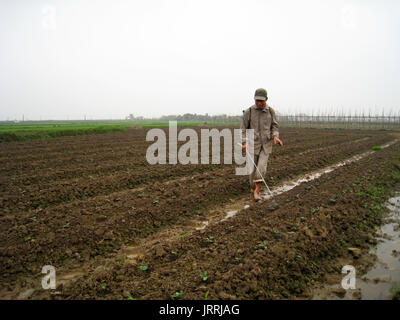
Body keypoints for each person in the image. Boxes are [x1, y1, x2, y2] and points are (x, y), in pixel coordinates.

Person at [241, 88, 283, 201]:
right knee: (252, 170)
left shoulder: (270, 111)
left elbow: (274, 125)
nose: (259, 103)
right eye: (257, 101)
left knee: (261, 168)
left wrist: (275, 136)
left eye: (262, 101)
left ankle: (257, 191)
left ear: (266, 99)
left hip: (266, 144)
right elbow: (243, 129)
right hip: (252, 144)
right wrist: (245, 142)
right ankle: (252, 187)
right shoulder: (248, 111)